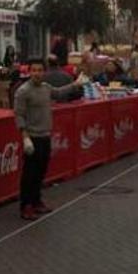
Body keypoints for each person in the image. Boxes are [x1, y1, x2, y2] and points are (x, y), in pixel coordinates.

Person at [14, 58, 83, 220]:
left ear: (44, 72)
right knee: (29, 174)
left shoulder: (45, 88)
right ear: (29, 72)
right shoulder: (23, 91)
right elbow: (19, 115)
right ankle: (26, 205)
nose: (37, 73)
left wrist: (76, 84)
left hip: (45, 136)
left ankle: (37, 201)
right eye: (34, 70)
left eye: (40, 70)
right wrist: (25, 137)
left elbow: (59, 93)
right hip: (32, 137)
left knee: (41, 171)